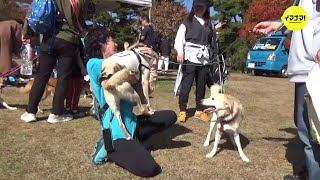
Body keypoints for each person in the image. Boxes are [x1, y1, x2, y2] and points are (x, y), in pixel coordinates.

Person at [85, 27, 177, 178]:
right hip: (116, 131)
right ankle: (108, 147)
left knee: (170, 116)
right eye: (111, 40)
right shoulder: (94, 64)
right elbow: (112, 65)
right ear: (102, 45)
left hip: (132, 123)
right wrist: (135, 54)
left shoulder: (122, 65)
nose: (115, 43)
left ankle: (136, 140)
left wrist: (151, 62)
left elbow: (145, 91)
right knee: (149, 168)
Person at [253, 1, 320, 179]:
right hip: (304, 70)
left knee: (313, 136)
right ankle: (307, 173)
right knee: (305, 131)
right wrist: (278, 24)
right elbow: (303, 18)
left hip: (313, 70)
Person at [20, 0, 88, 123]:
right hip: (69, 40)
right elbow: (81, 21)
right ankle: (56, 113)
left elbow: (33, 11)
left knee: (41, 76)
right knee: (63, 78)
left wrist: (26, 32)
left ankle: (30, 112)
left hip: (49, 38)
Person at [174, 0, 216, 123]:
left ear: (206, 8)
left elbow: (211, 42)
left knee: (201, 85)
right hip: (190, 56)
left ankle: (199, 110)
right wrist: (180, 52)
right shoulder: (187, 22)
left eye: (201, 7)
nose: (199, 9)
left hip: (204, 58)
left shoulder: (209, 24)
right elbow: (179, 38)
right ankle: (182, 110)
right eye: (197, 7)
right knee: (186, 85)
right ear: (193, 7)